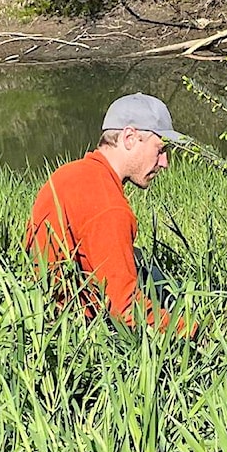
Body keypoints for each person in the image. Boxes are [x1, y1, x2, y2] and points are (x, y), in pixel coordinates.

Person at [25, 92, 193, 334]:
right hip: (71, 329)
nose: (165, 162)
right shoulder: (108, 206)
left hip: (38, 308)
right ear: (130, 138)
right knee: (154, 279)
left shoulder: (69, 173)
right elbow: (124, 308)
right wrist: (194, 332)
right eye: (160, 149)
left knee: (139, 259)